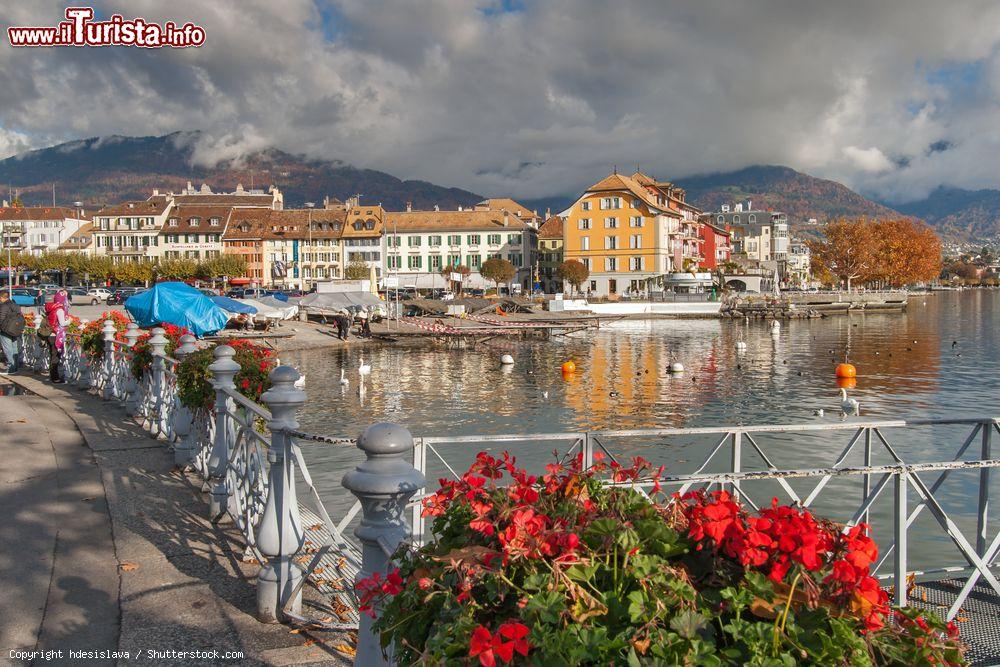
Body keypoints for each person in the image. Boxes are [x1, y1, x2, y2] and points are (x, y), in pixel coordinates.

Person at [44, 289, 70, 383]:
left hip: (49, 334)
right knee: (55, 357)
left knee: (52, 355)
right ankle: (55, 378)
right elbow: (62, 323)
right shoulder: (60, 310)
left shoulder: (52, 307)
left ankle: (52, 376)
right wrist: (69, 321)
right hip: (55, 335)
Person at [0, 292, 26, 374]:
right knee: (14, 348)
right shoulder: (15, 305)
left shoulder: (4, 306)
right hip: (15, 329)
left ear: (1, 297)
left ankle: (10, 368)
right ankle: (15, 367)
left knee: (8, 349)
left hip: (5, 330)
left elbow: (1, 318)